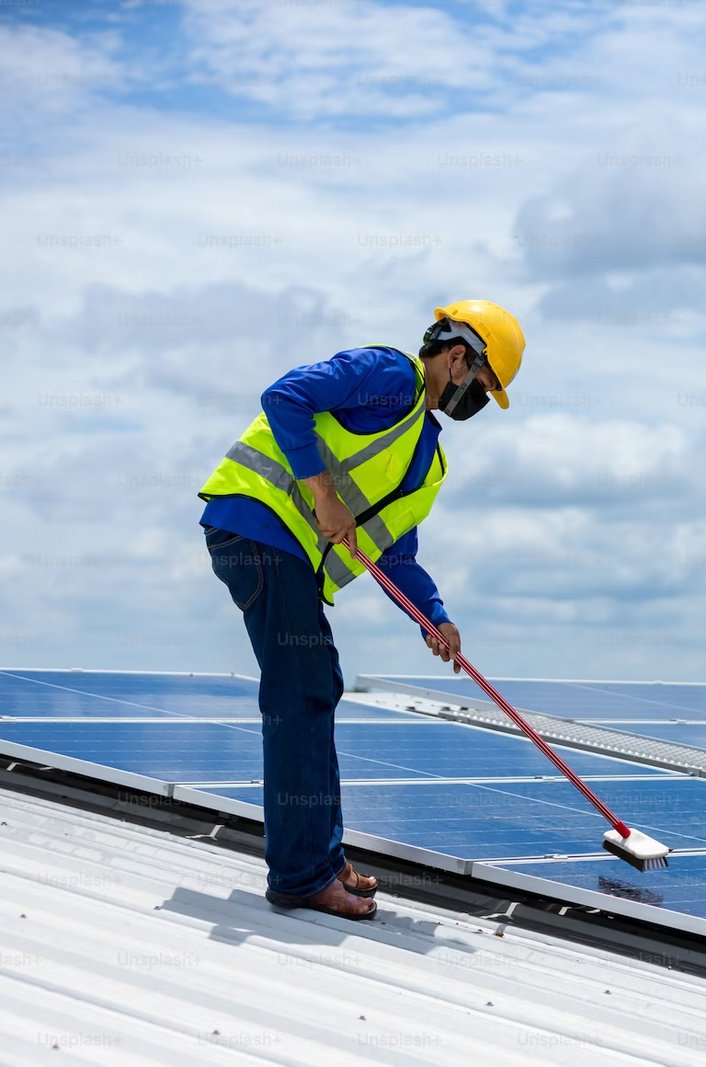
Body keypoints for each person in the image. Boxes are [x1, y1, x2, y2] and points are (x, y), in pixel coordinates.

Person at [197, 301, 525, 918]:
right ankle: (298, 876)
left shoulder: (428, 455)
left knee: (317, 686)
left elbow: (394, 553)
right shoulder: (388, 374)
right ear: (457, 359)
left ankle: (320, 857)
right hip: (256, 529)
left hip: (282, 550)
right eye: (482, 385)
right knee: (301, 693)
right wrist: (321, 495)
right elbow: (283, 396)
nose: (480, 399)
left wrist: (434, 616)